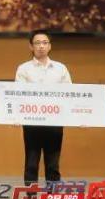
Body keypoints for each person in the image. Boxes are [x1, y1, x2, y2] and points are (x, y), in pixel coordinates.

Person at [15, 30, 72, 188]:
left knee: (53, 165)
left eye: (45, 43)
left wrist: (78, 117)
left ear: (50, 46)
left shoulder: (60, 68)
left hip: (55, 122)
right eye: (37, 43)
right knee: (31, 164)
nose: (41, 46)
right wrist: (16, 116)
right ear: (31, 46)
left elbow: (70, 95)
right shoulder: (24, 69)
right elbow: (18, 96)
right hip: (32, 123)